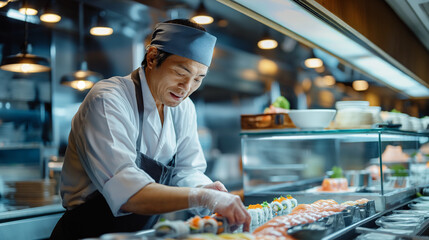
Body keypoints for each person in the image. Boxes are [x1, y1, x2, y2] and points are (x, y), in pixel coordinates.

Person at [50, 19, 250, 239]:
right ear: (153, 57)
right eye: (181, 73)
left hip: (139, 234)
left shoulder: (183, 108)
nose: (187, 88)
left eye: (197, 79)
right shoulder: (108, 100)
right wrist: (201, 197)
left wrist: (209, 190)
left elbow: (186, 170)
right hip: (88, 233)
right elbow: (128, 192)